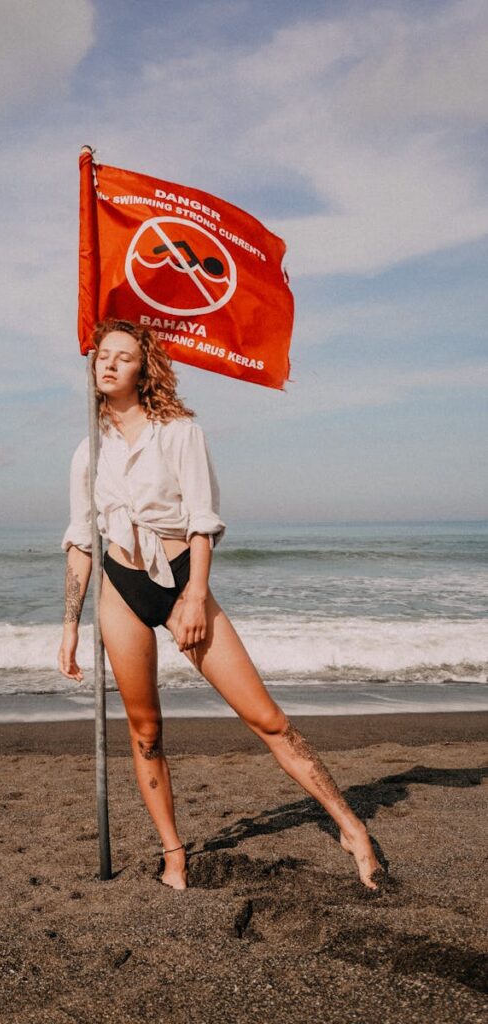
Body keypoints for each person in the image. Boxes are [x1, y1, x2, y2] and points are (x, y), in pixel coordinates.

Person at [57, 318, 385, 892]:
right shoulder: (89, 450)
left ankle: (351, 827)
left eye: (123, 357)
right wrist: (67, 627)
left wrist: (194, 597)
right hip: (121, 588)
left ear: (143, 369)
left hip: (183, 577)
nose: (107, 364)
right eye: (101, 355)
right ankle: (175, 855)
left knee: (267, 720)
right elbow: (84, 541)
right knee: (145, 732)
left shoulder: (179, 431)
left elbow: (203, 524)